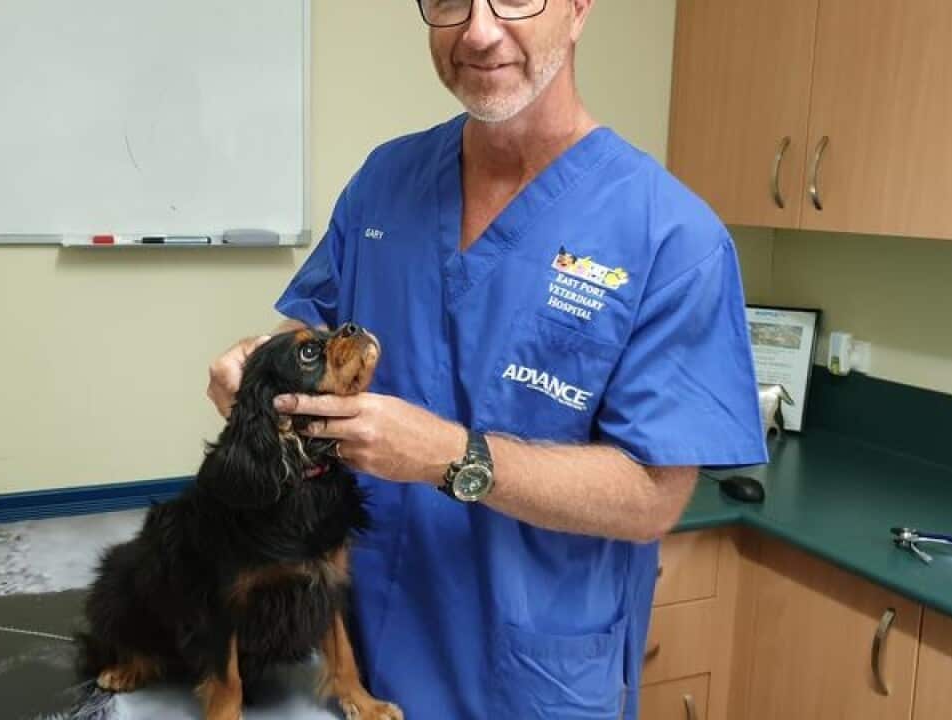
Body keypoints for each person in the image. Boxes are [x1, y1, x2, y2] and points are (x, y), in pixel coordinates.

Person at [207, 0, 767, 717]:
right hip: (357, 657)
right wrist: (257, 364)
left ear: (577, 9)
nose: (477, 29)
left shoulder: (672, 237)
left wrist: (450, 455)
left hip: (527, 676)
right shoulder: (387, 181)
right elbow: (306, 329)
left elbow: (652, 498)